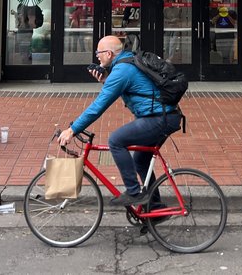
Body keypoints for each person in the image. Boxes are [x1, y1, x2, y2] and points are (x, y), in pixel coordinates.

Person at [58, 36, 183, 206]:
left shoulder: (122, 71)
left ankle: (133, 192)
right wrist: (106, 81)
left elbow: (98, 106)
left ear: (109, 54)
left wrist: (72, 129)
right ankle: (154, 208)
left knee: (116, 140)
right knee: (140, 160)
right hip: (165, 116)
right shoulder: (126, 62)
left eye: (99, 53)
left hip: (160, 118)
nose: (97, 56)